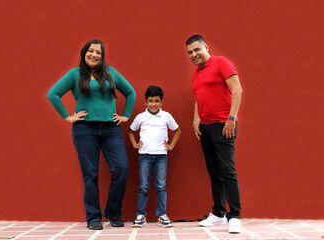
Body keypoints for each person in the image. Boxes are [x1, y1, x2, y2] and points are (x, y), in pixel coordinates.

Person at [47, 39, 136, 230]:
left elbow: (131, 92)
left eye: (98, 52)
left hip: (111, 129)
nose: (94, 55)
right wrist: (68, 117)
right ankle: (93, 217)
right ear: (84, 53)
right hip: (85, 130)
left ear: (102, 56)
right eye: (90, 51)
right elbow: (52, 94)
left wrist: (126, 115)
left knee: (121, 169)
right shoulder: (75, 74)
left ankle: (112, 212)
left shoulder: (110, 73)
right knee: (90, 174)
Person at [185, 35, 243, 234]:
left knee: (227, 169)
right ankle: (218, 213)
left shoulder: (221, 62)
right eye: (190, 52)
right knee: (214, 171)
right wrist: (195, 120)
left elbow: (237, 90)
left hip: (223, 125)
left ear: (206, 47)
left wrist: (232, 119)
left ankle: (234, 216)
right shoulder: (196, 74)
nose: (193, 55)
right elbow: (198, 97)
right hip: (206, 128)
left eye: (196, 50)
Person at [128, 85, 181, 228]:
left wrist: (171, 145)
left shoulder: (166, 116)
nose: (153, 104)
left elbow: (177, 131)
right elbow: (130, 131)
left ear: (161, 102)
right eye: (150, 101)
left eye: (157, 101)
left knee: (161, 186)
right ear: (145, 102)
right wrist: (134, 144)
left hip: (161, 157)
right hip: (144, 156)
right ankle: (140, 215)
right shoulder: (140, 117)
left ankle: (162, 215)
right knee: (143, 186)